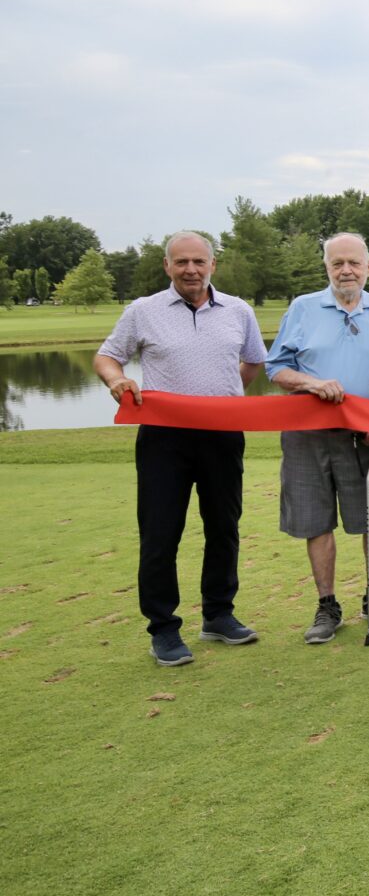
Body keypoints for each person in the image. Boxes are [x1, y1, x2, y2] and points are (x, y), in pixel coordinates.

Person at [93, 231, 266, 666]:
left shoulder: (238, 310)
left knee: (223, 527)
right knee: (160, 532)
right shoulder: (143, 311)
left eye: (199, 261)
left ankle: (218, 615)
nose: (191, 269)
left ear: (212, 265)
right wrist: (117, 380)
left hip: (223, 435)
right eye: (182, 262)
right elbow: (107, 356)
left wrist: (220, 399)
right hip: (164, 438)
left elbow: (252, 363)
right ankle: (164, 629)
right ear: (167, 266)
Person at [265, 233, 369, 643]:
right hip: (308, 433)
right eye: (337, 264)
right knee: (315, 518)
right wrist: (310, 383)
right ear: (326, 267)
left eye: (353, 263)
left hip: (366, 433)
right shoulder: (304, 307)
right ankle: (327, 604)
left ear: (368, 267)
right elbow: (277, 368)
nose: (346, 270)